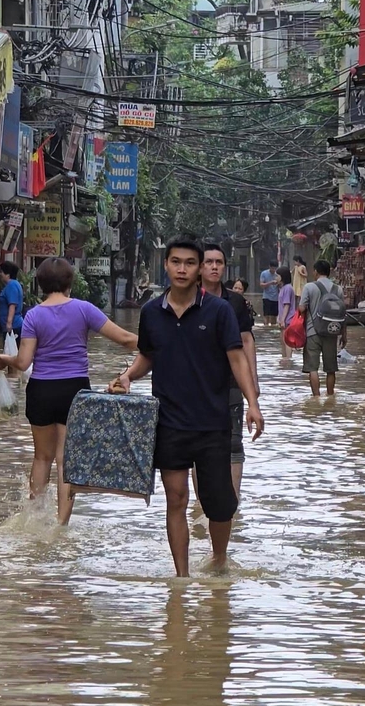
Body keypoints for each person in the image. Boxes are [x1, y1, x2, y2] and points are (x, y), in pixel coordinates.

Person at [109, 236, 264, 577]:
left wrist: (253, 403)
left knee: (219, 505)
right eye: (176, 262)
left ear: (199, 270)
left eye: (189, 263)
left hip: (212, 421)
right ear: (166, 266)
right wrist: (127, 376)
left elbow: (236, 358)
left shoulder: (219, 311)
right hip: (168, 422)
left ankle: (219, 561)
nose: (182, 269)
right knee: (176, 499)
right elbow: (147, 356)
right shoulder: (151, 312)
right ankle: (181, 578)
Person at [0, 255, 138, 526]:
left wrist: (4, 359)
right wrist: (161, 345)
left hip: (41, 390)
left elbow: (23, 363)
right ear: (70, 282)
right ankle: (61, 525)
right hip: (75, 391)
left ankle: (33, 519)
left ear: (41, 283)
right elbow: (127, 339)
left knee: (41, 457)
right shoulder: (84, 309)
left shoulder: (34, 315)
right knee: (65, 459)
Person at [202, 242, 259, 501]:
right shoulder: (189, 300)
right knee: (199, 446)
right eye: (209, 262)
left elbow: (246, 341)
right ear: (200, 267)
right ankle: (202, 503)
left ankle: (232, 502)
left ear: (225, 267)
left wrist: (253, 386)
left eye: (219, 263)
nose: (214, 267)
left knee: (234, 442)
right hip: (197, 384)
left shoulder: (236, 303)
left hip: (232, 382)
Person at [299, 258, 346, 397]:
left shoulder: (309, 287)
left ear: (316, 272)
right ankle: (330, 396)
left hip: (312, 332)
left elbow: (301, 308)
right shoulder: (338, 289)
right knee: (331, 369)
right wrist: (344, 335)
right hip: (332, 332)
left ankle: (316, 398)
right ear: (329, 272)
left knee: (313, 368)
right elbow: (343, 313)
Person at [0, 261, 24, 344]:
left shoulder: (11, 286)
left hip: (13, 326)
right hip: (14, 324)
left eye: (1, 272)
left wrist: (9, 323)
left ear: (7, 274)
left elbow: (12, 305)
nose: (0, 274)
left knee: (12, 353)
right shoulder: (15, 284)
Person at [276, 265, 295, 359]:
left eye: (277, 276)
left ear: (282, 276)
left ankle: (288, 359)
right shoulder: (283, 288)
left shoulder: (287, 288)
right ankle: (284, 358)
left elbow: (286, 305)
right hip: (283, 318)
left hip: (287, 319)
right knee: (282, 340)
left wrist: (283, 319)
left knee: (286, 341)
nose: (276, 278)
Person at [259, 260, 280, 327]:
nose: (274, 270)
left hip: (276, 298)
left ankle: (272, 330)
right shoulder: (264, 273)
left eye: (275, 268)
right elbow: (261, 285)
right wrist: (270, 283)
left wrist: (278, 283)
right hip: (266, 297)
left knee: (274, 316)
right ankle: (266, 328)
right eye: (272, 268)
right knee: (266, 315)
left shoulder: (278, 274)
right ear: (269, 267)